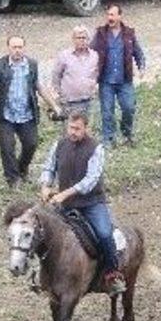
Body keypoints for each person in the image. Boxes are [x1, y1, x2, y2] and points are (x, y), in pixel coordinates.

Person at [40, 111, 126, 296]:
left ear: (86, 128)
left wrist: (64, 194)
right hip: (65, 205)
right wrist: (45, 185)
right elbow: (49, 168)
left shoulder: (96, 149)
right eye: (71, 128)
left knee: (104, 234)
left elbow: (90, 180)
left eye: (77, 129)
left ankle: (112, 274)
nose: (73, 132)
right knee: (41, 232)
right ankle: (43, 275)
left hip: (91, 204)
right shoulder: (59, 145)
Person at [0, 35, 63, 189]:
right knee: (7, 147)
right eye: (14, 47)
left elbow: (40, 87)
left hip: (26, 114)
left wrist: (54, 106)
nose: (17, 50)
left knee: (31, 144)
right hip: (5, 114)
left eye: (20, 47)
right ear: (8, 48)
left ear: (24, 48)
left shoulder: (32, 65)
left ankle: (22, 170)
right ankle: (13, 179)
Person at [91, 4, 146, 147]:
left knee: (129, 107)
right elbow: (91, 52)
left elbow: (138, 52)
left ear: (120, 16)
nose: (109, 18)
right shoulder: (101, 33)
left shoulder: (129, 33)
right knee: (107, 111)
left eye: (112, 15)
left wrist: (141, 67)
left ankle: (127, 134)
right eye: (108, 14)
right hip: (106, 81)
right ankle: (108, 138)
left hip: (124, 80)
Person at [51, 25, 100, 119]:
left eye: (84, 38)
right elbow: (56, 76)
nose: (81, 40)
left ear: (88, 39)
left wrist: (95, 88)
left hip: (89, 101)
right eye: (78, 38)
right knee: (71, 127)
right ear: (73, 39)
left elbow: (98, 75)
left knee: (88, 127)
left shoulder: (95, 56)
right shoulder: (64, 56)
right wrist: (59, 94)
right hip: (69, 102)